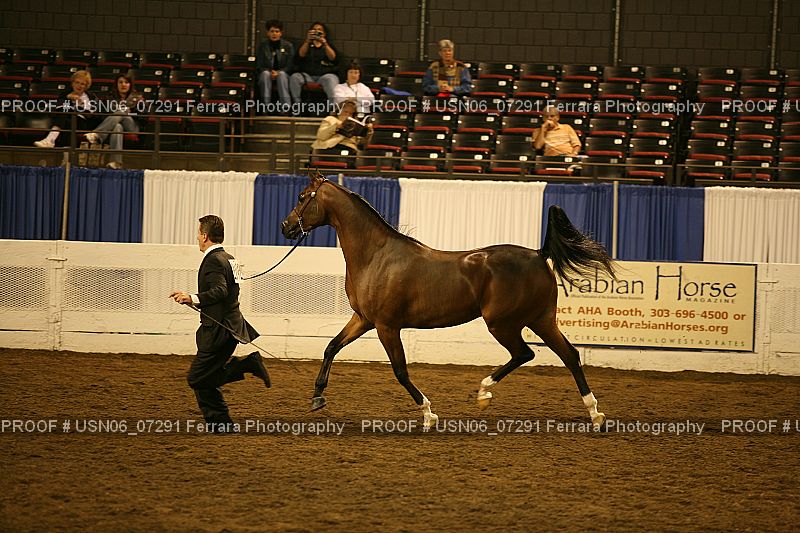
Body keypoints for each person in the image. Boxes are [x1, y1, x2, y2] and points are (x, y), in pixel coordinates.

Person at [169, 215, 270, 434]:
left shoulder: (213, 260)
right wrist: (195, 301)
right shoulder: (230, 258)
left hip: (219, 331)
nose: (197, 238)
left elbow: (221, 291)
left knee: (197, 378)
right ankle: (221, 424)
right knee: (205, 379)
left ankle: (248, 364)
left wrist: (192, 297)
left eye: (199, 233)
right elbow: (230, 294)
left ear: (205, 236)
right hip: (231, 326)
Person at [85, 74, 143, 169]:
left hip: (132, 126)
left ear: (130, 85)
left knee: (121, 112)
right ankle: (116, 162)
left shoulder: (138, 97)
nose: (123, 85)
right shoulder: (109, 97)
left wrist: (131, 112)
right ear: (116, 84)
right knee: (117, 127)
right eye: (120, 82)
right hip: (113, 124)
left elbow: (143, 116)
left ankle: (97, 134)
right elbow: (101, 114)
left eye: (126, 82)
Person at [34, 70, 99, 148]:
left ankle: (49, 140)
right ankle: (54, 143)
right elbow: (58, 109)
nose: (79, 86)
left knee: (66, 117)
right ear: (72, 83)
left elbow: (91, 115)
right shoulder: (65, 95)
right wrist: (68, 99)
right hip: (67, 119)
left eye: (82, 84)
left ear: (86, 86)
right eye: (77, 82)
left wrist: (79, 106)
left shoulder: (91, 97)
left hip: (83, 123)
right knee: (65, 116)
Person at [289, 22, 339, 111]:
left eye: (319, 30)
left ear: (324, 33)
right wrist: (307, 41)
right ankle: (297, 106)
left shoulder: (328, 46)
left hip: (324, 76)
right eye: (314, 30)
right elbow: (301, 55)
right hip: (307, 76)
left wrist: (325, 43)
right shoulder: (306, 45)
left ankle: (332, 108)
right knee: (294, 77)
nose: (317, 32)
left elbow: (333, 58)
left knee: (331, 79)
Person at [256, 19, 294, 112]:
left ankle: (286, 107)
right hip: (267, 73)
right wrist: (270, 72)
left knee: (282, 75)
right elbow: (259, 65)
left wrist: (278, 72)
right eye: (272, 31)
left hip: (283, 74)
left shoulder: (288, 46)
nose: (274, 34)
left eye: (277, 31)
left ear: (281, 33)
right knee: (265, 74)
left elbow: (291, 65)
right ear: (267, 33)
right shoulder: (262, 46)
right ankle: (266, 107)